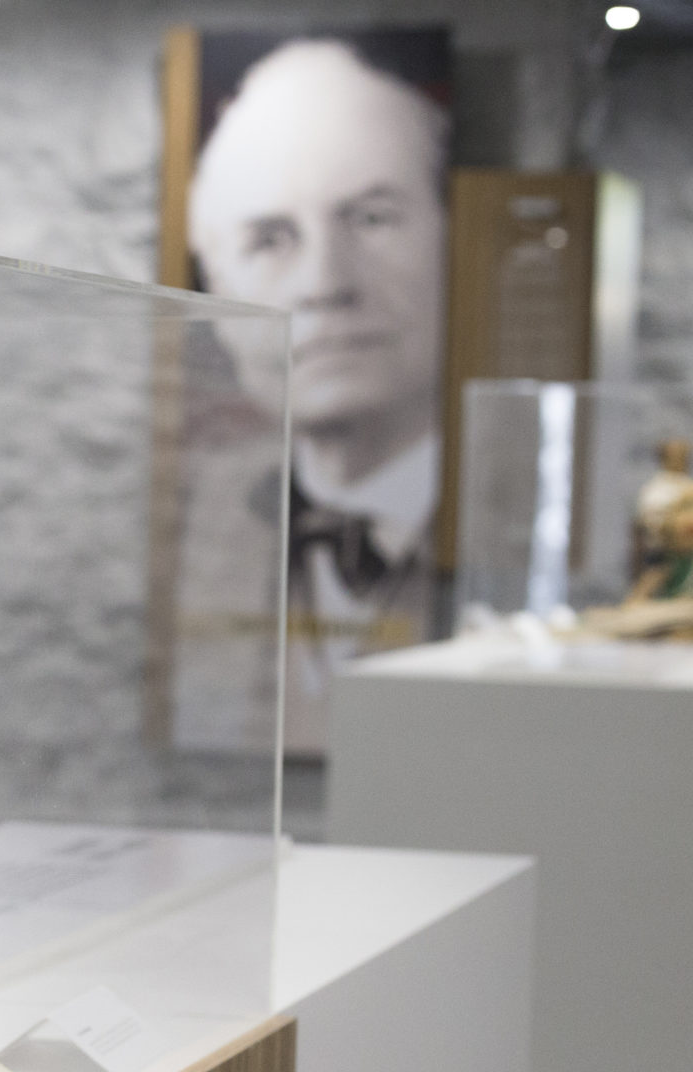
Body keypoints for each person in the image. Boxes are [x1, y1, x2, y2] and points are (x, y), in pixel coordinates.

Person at [187, 38, 448, 727]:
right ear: (216, 293)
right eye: (270, 240)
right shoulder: (197, 532)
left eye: (371, 218)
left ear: (451, 237)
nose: (324, 285)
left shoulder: (519, 524)